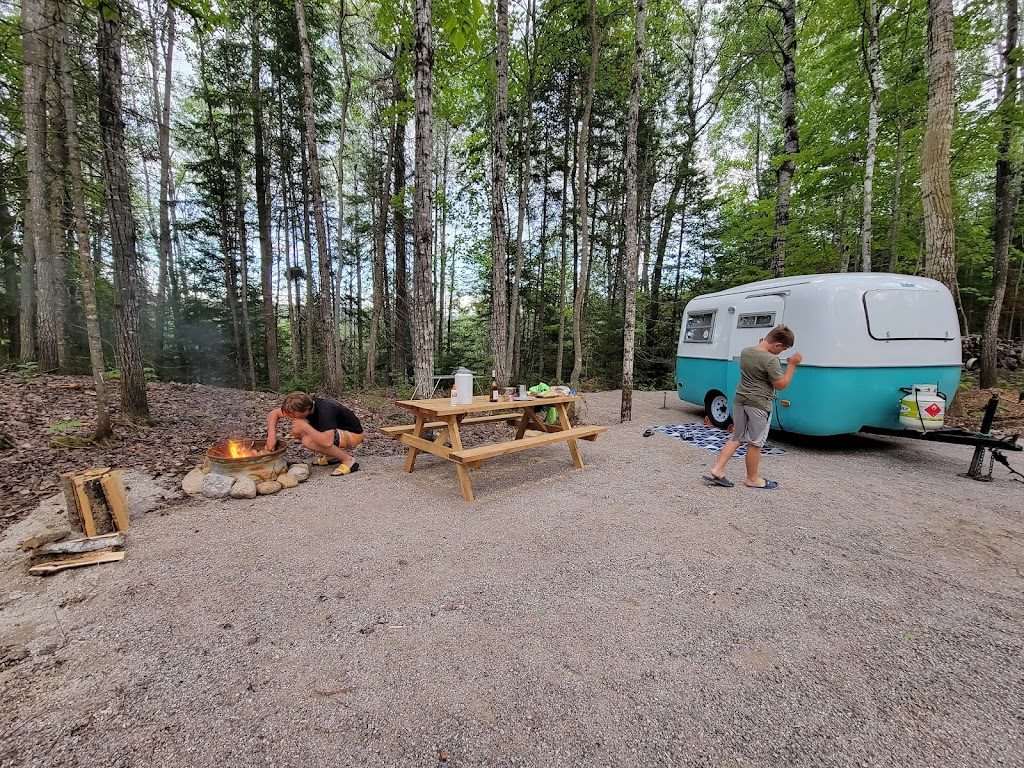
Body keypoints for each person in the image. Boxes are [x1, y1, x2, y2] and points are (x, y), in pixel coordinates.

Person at [703, 324, 802, 489]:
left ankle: (717, 469)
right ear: (777, 345)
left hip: (740, 400)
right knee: (755, 442)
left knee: (737, 437)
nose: (781, 353)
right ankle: (753, 479)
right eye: (782, 349)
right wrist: (792, 365)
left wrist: (764, 346)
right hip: (759, 404)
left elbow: (759, 355)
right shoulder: (771, 360)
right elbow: (781, 385)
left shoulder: (746, 351)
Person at [266, 391, 363, 476]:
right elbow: (273, 414)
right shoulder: (307, 405)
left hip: (353, 436)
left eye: (293, 414)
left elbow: (327, 442)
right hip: (334, 432)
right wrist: (271, 436)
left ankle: (348, 460)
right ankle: (332, 456)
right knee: (298, 432)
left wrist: (305, 426)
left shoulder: (325, 410)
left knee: (307, 440)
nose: (291, 416)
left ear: (305, 410)